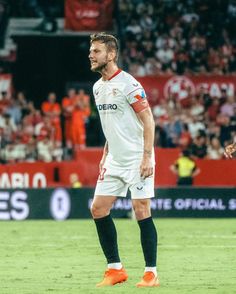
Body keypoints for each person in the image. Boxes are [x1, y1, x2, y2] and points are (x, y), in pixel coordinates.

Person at [89, 33, 159, 288]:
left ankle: (151, 273)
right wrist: (105, 153)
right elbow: (113, 126)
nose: (91, 55)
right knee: (98, 208)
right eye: (91, 51)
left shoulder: (129, 84)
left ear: (111, 54)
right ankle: (115, 269)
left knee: (140, 209)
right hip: (114, 160)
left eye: (96, 51)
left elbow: (148, 119)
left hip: (138, 158)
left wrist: (147, 156)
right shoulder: (98, 87)